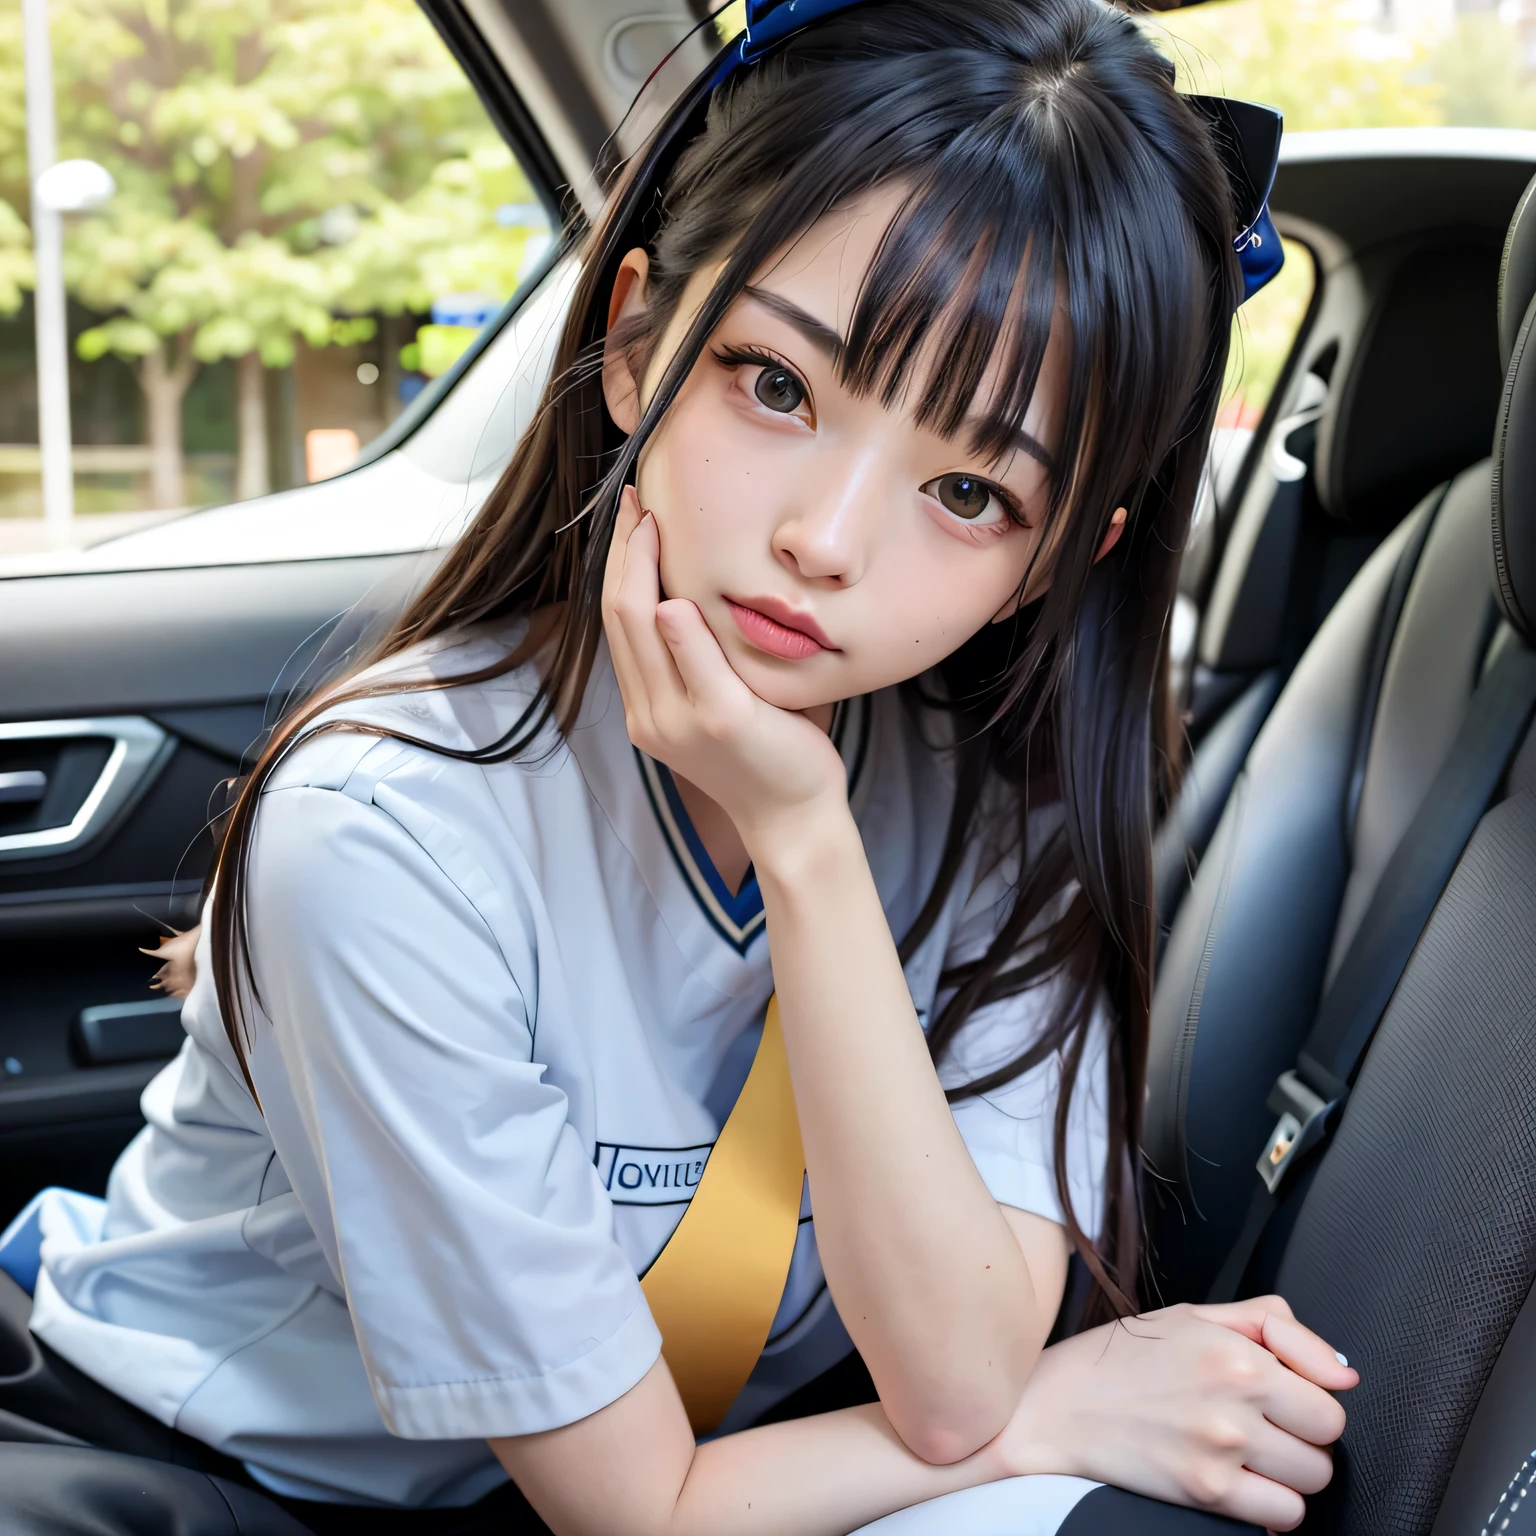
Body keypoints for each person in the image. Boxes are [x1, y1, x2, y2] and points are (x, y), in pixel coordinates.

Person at [0, 2, 1357, 1532]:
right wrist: (1058, 1409)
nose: (826, 541)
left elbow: (956, 1376)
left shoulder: (998, 806)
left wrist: (805, 842)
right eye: (777, 386)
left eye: (969, 487)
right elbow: (638, 1511)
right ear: (638, 342)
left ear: (1060, 558)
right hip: (222, 1475)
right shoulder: (383, 834)